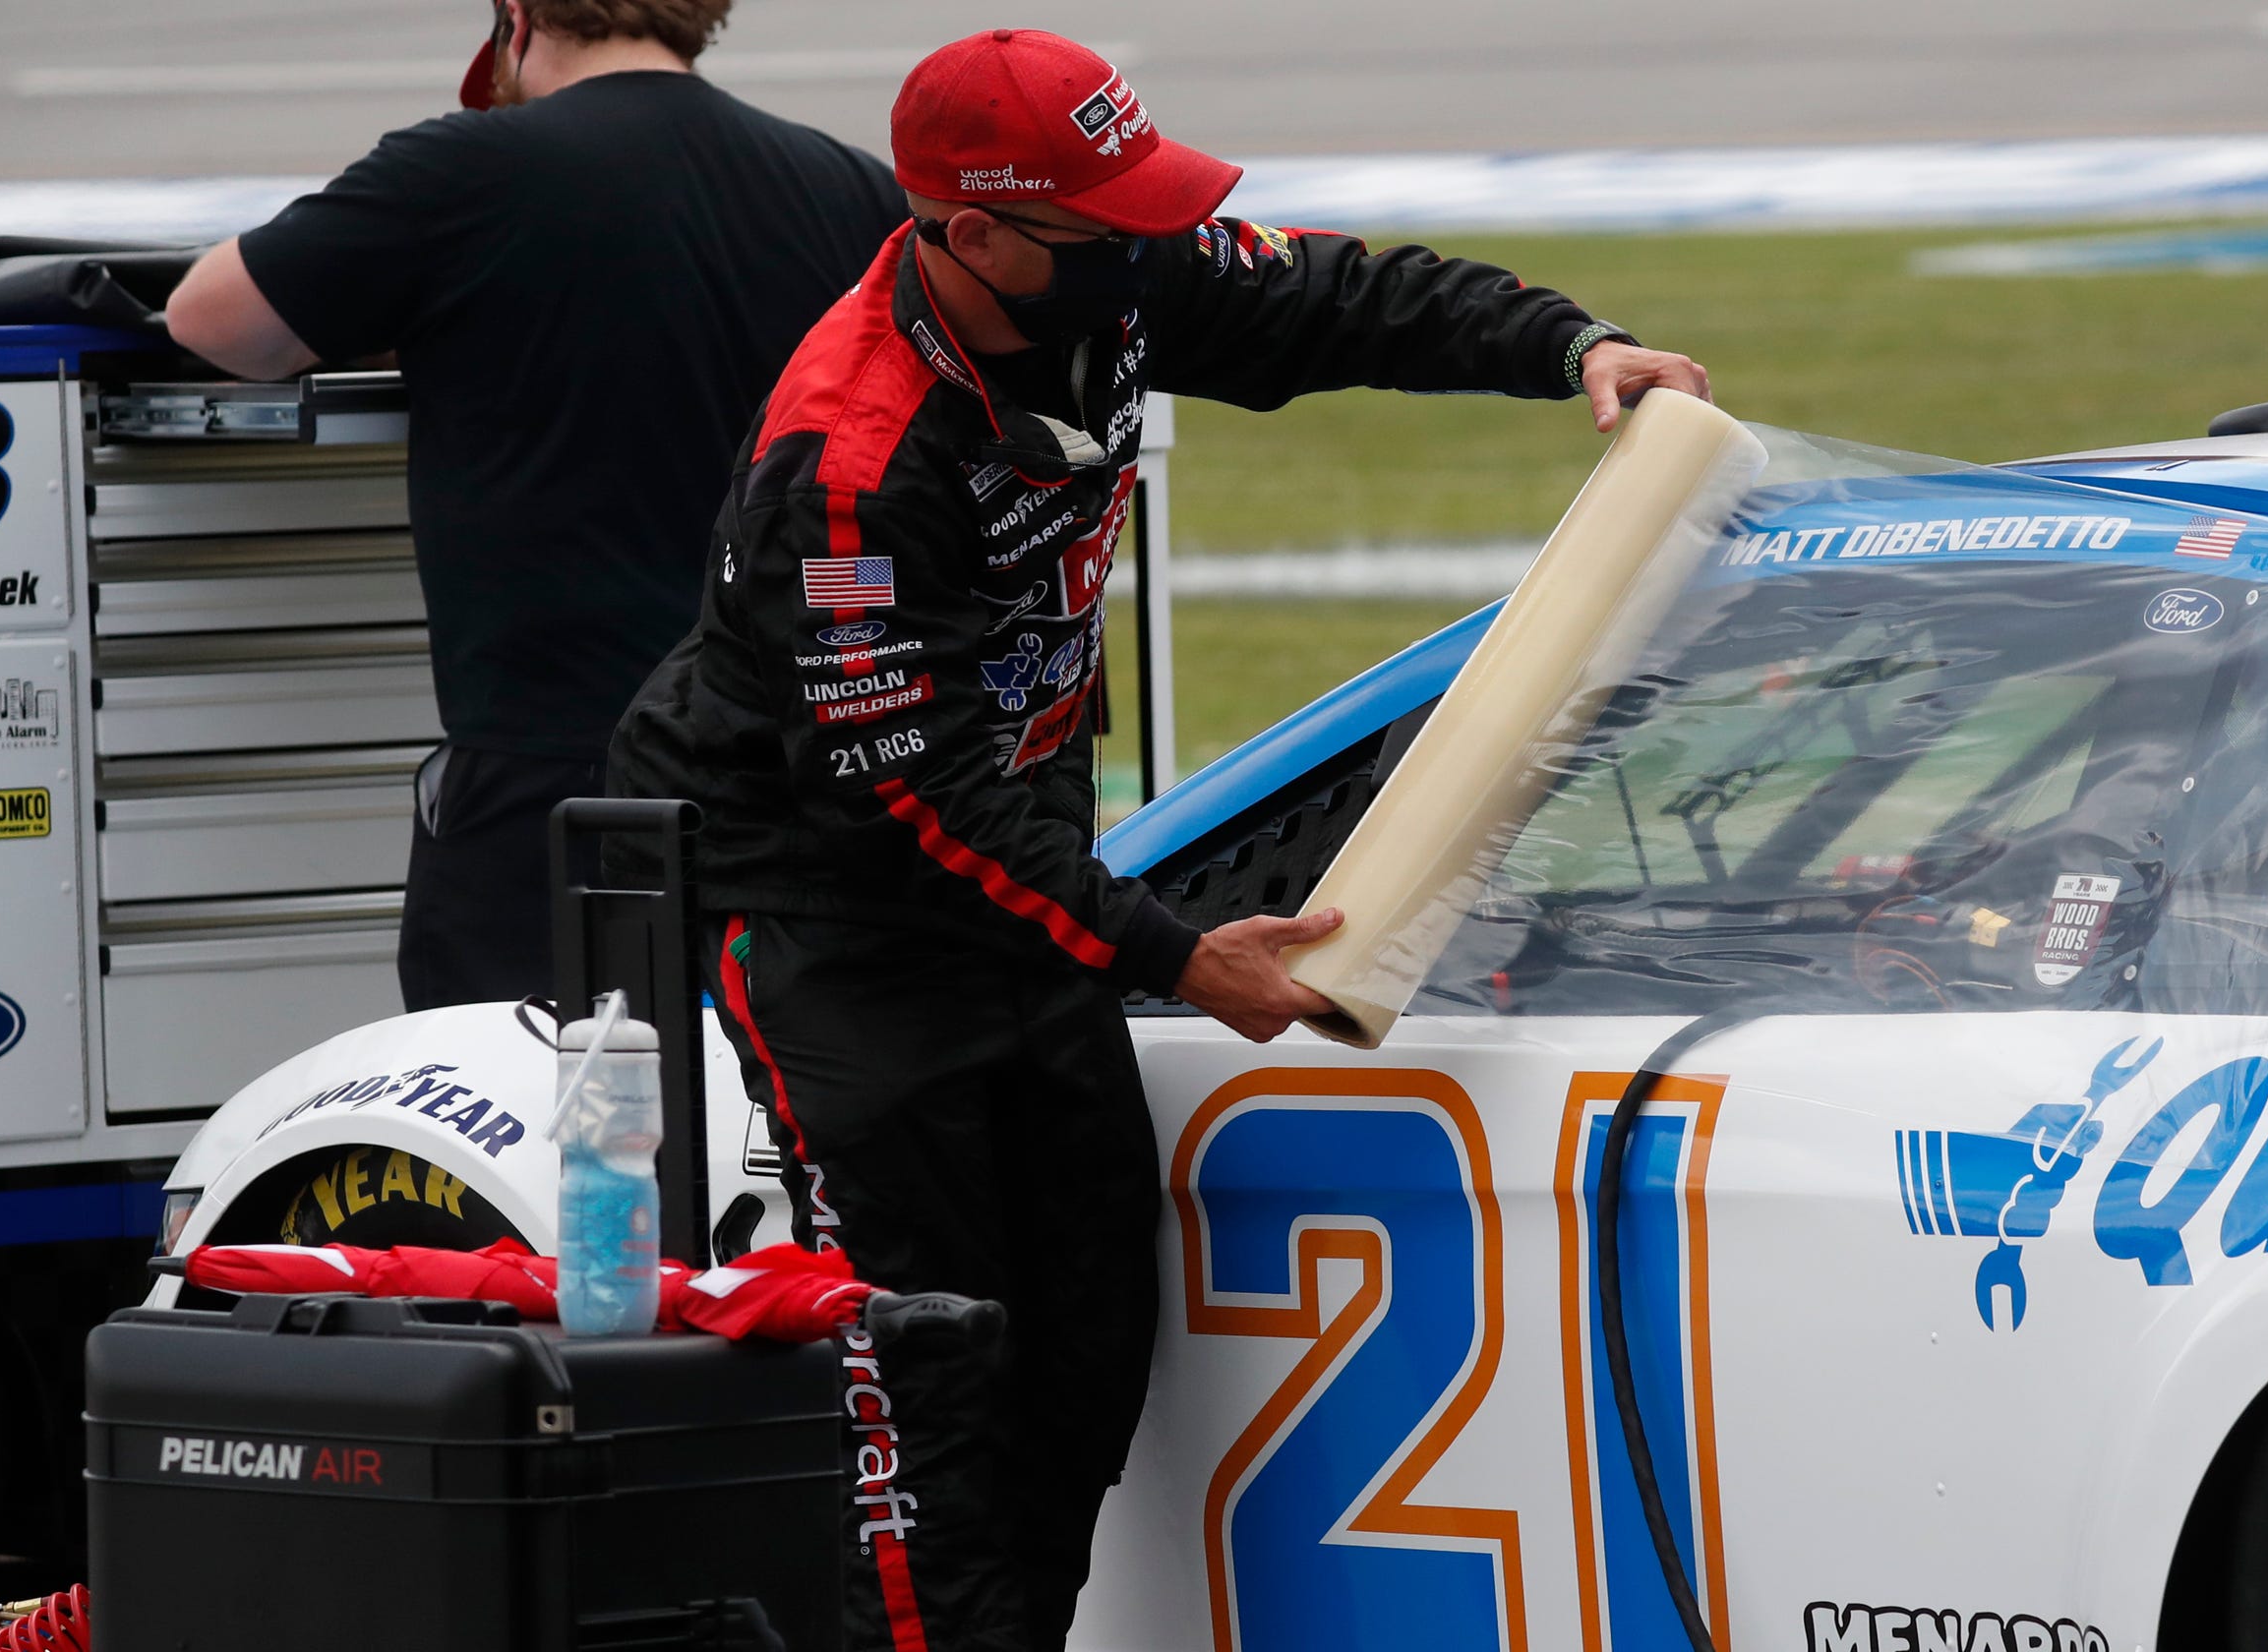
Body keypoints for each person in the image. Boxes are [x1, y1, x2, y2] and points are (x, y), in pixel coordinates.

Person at [609, 28, 1708, 1652]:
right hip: (834, 919)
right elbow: (901, 800)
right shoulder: (847, 466)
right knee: (930, 1403)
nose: (1146, 250)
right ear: (970, 234)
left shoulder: (1101, 271)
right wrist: (1172, 951)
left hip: (1019, 875)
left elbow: (1336, 298)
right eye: (1104, 225)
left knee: (1087, 1363)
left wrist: (1571, 347)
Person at [162, 0, 907, 1011]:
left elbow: (214, 322)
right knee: (762, 1118)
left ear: (516, 19)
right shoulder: (847, 186)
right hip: (801, 763)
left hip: (559, 774)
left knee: (525, 1118)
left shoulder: (464, 170)